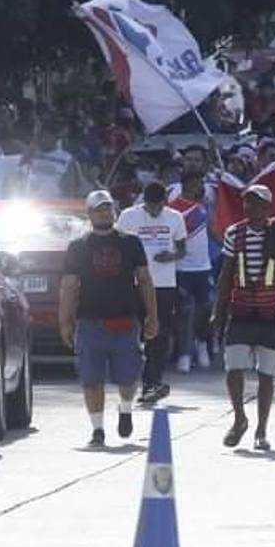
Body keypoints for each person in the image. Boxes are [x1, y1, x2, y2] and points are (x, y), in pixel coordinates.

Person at [211, 184, 275, 450]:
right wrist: (217, 312)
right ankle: (240, 418)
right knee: (233, 368)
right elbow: (225, 275)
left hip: (270, 312)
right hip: (240, 311)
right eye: (247, 203)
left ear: (267, 207)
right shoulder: (235, 233)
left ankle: (261, 430)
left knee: (267, 375)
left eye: (256, 203)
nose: (249, 207)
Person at [59, 191, 158, 447]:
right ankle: (98, 429)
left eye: (108, 208)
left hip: (125, 320)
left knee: (128, 377)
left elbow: (145, 280)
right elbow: (69, 286)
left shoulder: (131, 243)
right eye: (99, 209)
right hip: (90, 322)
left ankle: (125, 410)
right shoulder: (78, 247)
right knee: (91, 379)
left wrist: (152, 316)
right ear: (89, 214)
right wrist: (65, 321)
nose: (105, 212)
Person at [116, 182, 187, 404]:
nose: (155, 212)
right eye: (151, 208)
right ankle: (129, 378)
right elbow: (117, 246)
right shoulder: (128, 217)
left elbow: (182, 248)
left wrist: (171, 256)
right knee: (134, 332)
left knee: (160, 333)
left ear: (165, 202)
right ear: (143, 202)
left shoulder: (175, 217)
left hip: (164, 284)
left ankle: (152, 382)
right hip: (135, 284)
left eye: (159, 207)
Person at [169, 170, 214, 372]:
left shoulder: (202, 207)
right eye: (196, 182)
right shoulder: (173, 209)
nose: (199, 186)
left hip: (203, 267)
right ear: (186, 184)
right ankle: (184, 354)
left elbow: (211, 231)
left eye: (201, 182)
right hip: (182, 268)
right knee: (185, 311)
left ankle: (202, 344)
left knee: (206, 309)